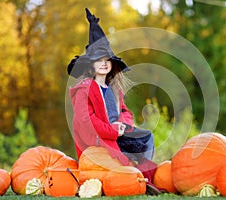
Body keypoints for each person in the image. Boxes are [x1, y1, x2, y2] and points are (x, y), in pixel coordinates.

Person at [67, 8, 161, 195]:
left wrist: (123, 125)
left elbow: (125, 112)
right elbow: (86, 121)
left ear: (112, 64)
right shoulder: (84, 89)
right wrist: (110, 130)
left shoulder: (113, 89)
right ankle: (130, 175)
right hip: (98, 140)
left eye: (107, 60)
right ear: (90, 64)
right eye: (98, 60)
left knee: (146, 138)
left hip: (116, 133)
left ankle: (144, 179)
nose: (103, 63)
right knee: (118, 159)